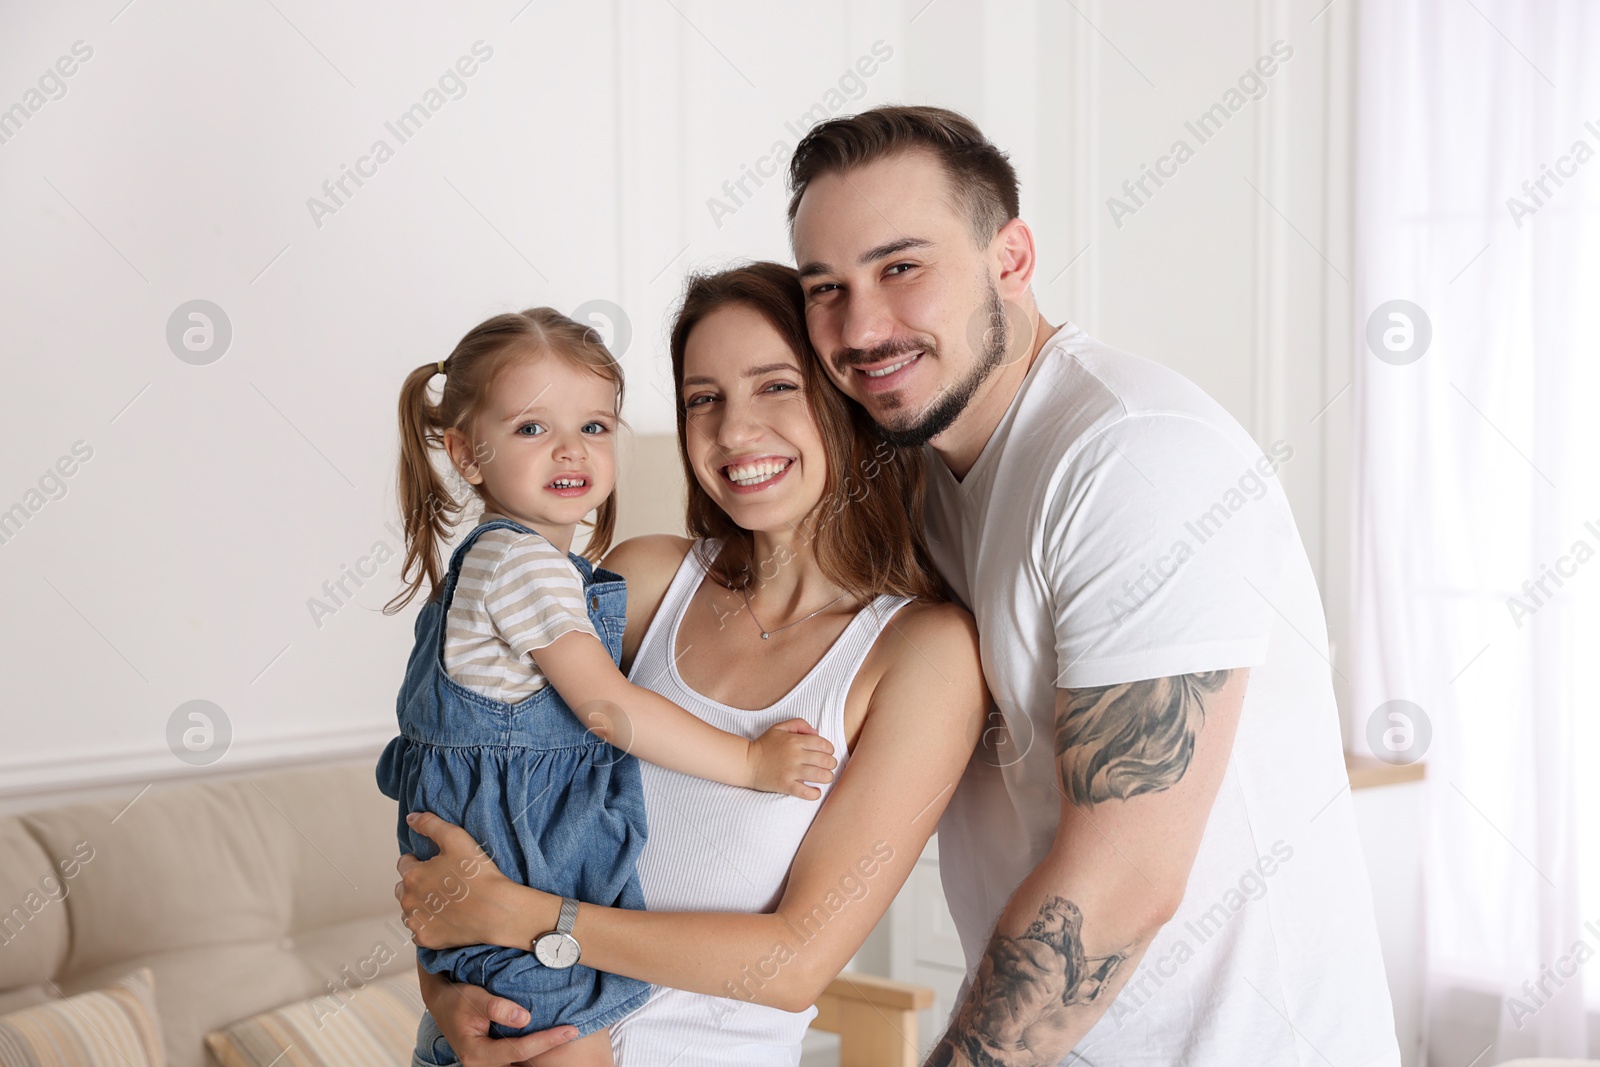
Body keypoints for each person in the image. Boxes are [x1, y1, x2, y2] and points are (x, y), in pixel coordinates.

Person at [785, 105, 1401, 1065]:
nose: (860, 325)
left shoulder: (1132, 454)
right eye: (827, 286)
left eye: (901, 267)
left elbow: (1123, 881)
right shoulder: (913, 478)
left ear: (1011, 259)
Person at [395, 263, 987, 1065]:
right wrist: (450, 996)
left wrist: (525, 918)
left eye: (775, 385)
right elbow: (474, 784)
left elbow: (791, 962)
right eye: (703, 398)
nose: (734, 431)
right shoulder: (643, 582)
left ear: (845, 402)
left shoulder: (920, 654)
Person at [377, 306, 841, 1067]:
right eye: (531, 428)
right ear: (465, 452)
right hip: (518, 892)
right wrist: (749, 764)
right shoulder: (522, 566)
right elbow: (606, 706)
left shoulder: (519, 567)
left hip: (506, 905)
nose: (570, 448)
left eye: (594, 426)